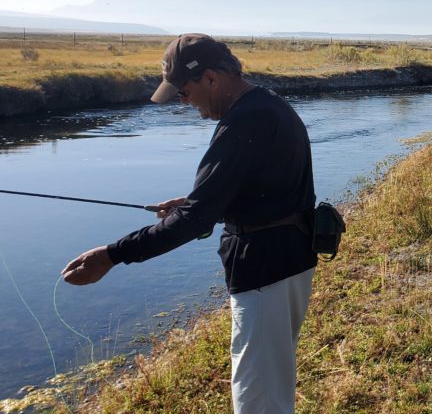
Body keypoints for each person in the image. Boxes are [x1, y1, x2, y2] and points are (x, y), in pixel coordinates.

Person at [61, 34, 317, 414]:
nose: (185, 102)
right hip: (288, 261)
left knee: (258, 400)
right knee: (271, 386)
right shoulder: (267, 104)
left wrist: (112, 255)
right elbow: (267, 191)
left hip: (266, 273)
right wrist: (203, 204)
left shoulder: (243, 121)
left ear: (211, 79)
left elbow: (192, 222)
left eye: (183, 92)